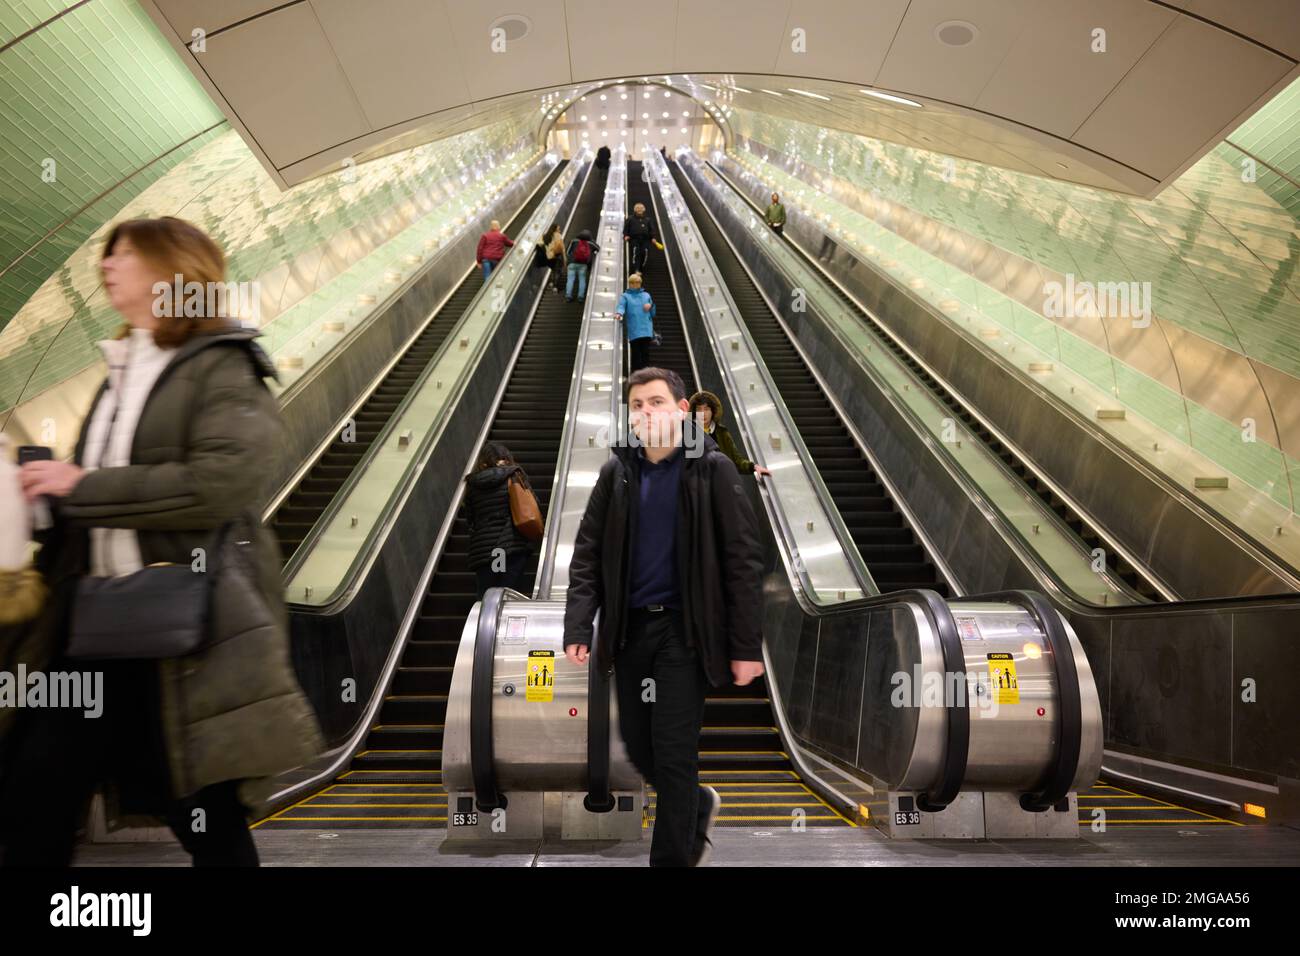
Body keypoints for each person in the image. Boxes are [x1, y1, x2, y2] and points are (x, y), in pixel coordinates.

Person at [0, 216, 324, 867]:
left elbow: (224, 480)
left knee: (203, 814)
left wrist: (82, 485)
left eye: (126, 255)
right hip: (92, 626)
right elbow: (101, 493)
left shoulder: (221, 366)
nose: (108, 265)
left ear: (173, 271)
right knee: (34, 797)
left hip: (183, 632)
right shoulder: (123, 366)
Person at [563, 366, 765, 867]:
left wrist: (745, 646)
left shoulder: (711, 469)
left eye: (656, 402)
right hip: (630, 630)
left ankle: (672, 858)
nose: (645, 412)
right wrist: (577, 624)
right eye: (637, 405)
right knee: (636, 744)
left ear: (681, 410)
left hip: (685, 630)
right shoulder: (618, 473)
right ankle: (695, 803)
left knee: (673, 750)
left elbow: (742, 559)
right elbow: (587, 552)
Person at [463, 441, 535, 599]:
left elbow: (470, 519)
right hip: (507, 547)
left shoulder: (472, 484)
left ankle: (485, 623)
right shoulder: (514, 475)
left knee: (487, 597)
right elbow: (529, 505)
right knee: (507, 596)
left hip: (483, 550)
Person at [688, 390, 771, 478]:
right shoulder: (688, 431)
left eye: (706, 409)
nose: (703, 413)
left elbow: (736, 461)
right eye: (699, 409)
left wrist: (753, 467)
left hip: (719, 483)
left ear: (713, 411)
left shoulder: (721, 432)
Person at [616, 273, 656, 373]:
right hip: (634, 329)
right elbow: (621, 306)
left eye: (637, 282)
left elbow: (653, 313)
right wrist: (619, 313)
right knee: (636, 355)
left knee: (645, 355)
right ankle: (636, 377)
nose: (635, 285)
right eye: (633, 283)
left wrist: (650, 306)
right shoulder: (625, 296)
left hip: (646, 329)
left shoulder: (646, 295)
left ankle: (645, 376)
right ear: (629, 283)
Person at [623, 202, 658, 276]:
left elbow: (652, 230)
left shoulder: (648, 220)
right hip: (634, 239)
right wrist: (625, 235)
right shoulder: (630, 219)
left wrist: (653, 237)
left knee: (644, 253)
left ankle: (641, 268)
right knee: (636, 253)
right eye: (637, 208)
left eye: (641, 208)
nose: (639, 209)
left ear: (644, 209)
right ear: (635, 210)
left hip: (646, 240)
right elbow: (626, 228)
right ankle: (636, 269)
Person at [565, 229, 600, 302]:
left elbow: (568, 252)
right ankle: (580, 297)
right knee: (582, 280)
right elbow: (598, 248)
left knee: (570, 279)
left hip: (572, 263)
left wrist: (569, 259)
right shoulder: (590, 243)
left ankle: (568, 295)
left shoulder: (573, 241)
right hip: (583, 265)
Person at [544, 223, 566, 294]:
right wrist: (564, 258)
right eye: (558, 228)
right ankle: (555, 287)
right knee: (558, 271)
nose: (560, 230)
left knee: (553, 270)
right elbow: (562, 248)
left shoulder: (546, 236)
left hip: (549, 256)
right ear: (555, 229)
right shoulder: (558, 235)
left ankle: (552, 282)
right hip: (557, 256)